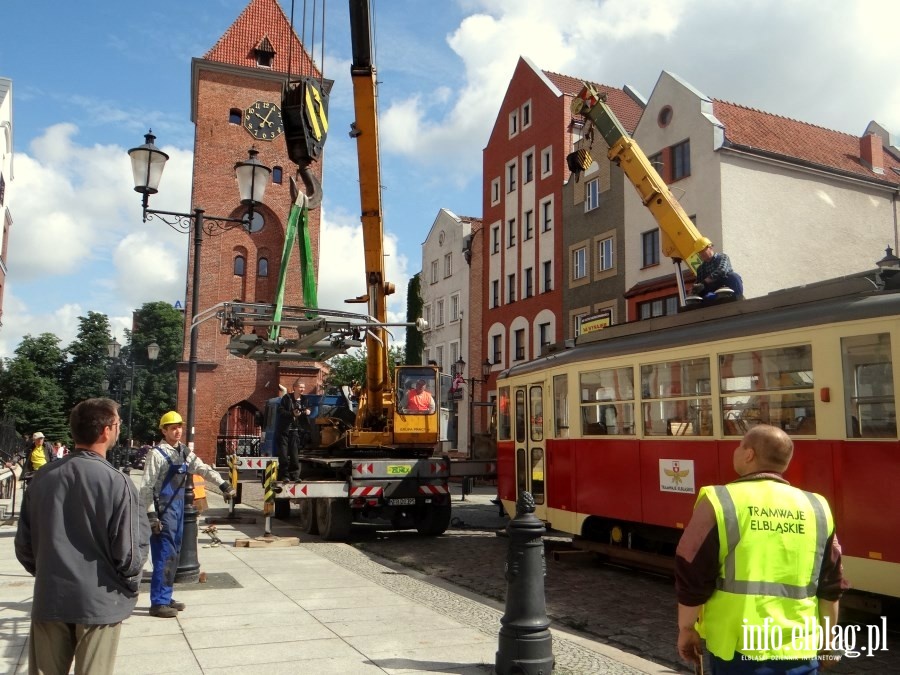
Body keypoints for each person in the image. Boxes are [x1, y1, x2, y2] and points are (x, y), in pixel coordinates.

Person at [675, 424, 847, 674]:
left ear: (749, 454)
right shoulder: (817, 507)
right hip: (800, 649)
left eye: (739, 446)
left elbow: (692, 570)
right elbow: (831, 584)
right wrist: (828, 640)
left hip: (737, 649)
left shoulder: (719, 502)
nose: (735, 451)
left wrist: (687, 629)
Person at [15, 398, 150, 675]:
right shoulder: (117, 482)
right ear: (106, 431)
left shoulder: (41, 478)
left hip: (50, 598)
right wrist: (129, 584)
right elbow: (131, 555)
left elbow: (24, 548)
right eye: (118, 424)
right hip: (98, 603)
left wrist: (50, 571)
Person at [140, 411, 235, 618]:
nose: (177, 430)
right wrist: (151, 516)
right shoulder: (157, 454)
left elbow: (202, 468)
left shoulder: (183, 452)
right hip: (163, 512)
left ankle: (166, 596)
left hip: (178, 510)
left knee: (173, 556)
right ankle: (158, 602)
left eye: (179, 427)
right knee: (164, 556)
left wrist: (223, 484)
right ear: (163, 430)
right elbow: (146, 488)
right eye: (172, 427)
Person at [277, 379, 311, 480]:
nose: (302, 389)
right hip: (284, 430)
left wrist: (307, 411)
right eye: (300, 387)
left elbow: (307, 409)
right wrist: (292, 413)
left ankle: (295, 476)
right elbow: (281, 411)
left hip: (296, 430)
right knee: (283, 455)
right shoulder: (287, 398)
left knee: (295, 455)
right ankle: (284, 476)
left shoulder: (305, 399)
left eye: (303, 387)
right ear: (295, 387)